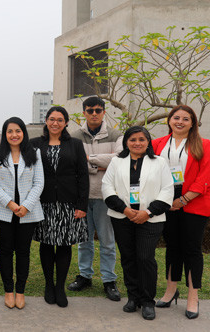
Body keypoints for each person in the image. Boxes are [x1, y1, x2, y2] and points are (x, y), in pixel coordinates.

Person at [102, 126, 173, 320]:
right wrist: (124, 209)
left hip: (150, 219)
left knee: (145, 258)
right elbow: (107, 187)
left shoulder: (159, 162)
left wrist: (147, 213)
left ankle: (148, 301)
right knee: (128, 258)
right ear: (126, 142)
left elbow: (167, 191)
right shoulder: (117, 162)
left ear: (148, 142)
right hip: (122, 218)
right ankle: (133, 297)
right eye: (133, 139)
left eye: (142, 139)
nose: (137, 143)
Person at [153, 105, 210, 319]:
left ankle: (193, 296)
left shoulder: (203, 144)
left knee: (191, 249)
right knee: (172, 246)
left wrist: (183, 199)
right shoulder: (157, 144)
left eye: (185, 119)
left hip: (194, 201)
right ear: (169, 120)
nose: (180, 121)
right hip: (166, 201)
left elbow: (206, 177)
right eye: (176, 117)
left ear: (192, 122)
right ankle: (171, 290)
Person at [30, 107, 89, 308]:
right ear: (46, 121)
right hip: (43, 202)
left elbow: (83, 176)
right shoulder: (34, 144)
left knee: (64, 245)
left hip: (68, 204)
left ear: (66, 123)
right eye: (52, 119)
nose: (55, 123)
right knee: (46, 244)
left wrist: (82, 204)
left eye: (60, 120)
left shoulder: (75, 145)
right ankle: (49, 285)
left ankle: (60, 287)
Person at [0, 117, 44, 310]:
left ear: (23, 133)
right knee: (5, 251)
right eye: (10, 131)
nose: (14, 135)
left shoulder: (34, 153)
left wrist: (25, 205)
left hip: (28, 211)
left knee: (23, 252)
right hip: (4, 210)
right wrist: (10, 204)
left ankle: (20, 291)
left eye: (18, 131)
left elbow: (39, 183)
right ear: (5, 134)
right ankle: (8, 291)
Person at [69, 96, 123, 301]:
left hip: (106, 196)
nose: (94, 114)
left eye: (98, 110)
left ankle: (109, 280)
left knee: (108, 241)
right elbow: (73, 164)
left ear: (103, 112)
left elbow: (118, 160)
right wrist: (102, 165)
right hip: (81, 197)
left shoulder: (116, 134)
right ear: (83, 112)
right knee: (84, 240)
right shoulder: (74, 136)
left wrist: (88, 162)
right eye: (90, 110)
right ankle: (85, 275)